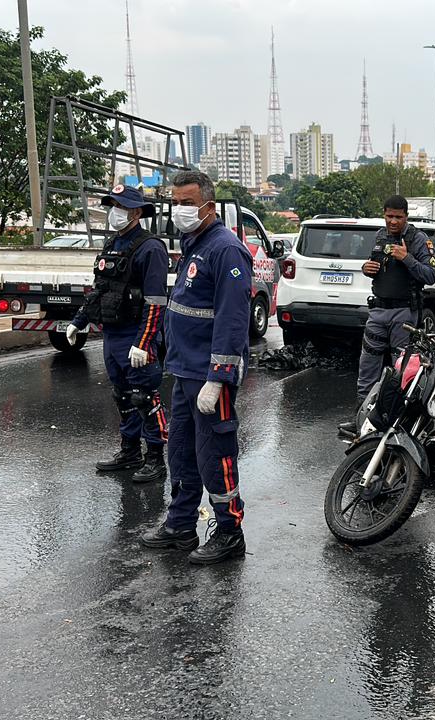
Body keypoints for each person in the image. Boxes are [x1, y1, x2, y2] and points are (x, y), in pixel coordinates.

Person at [141, 170, 253, 565]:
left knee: (216, 455)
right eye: (176, 202)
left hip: (208, 378)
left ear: (208, 205)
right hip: (184, 370)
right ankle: (180, 524)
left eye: (187, 203)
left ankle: (229, 531)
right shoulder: (195, 244)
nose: (179, 210)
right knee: (182, 453)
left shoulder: (226, 250)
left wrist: (219, 379)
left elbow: (233, 320)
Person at [66, 185, 170, 483]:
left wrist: (144, 342)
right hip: (112, 333)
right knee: (122, 395)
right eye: (113, 205)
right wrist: (79, 320)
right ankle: (129, 451)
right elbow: (100, 289)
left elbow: (155, 301)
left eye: (121, 206)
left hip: (136, 334)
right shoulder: (113, 244)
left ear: (136, 212)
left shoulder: (150, 248)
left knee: (144, 397)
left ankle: (155, 458)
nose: (115, 212)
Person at [338, 196, 435, 434]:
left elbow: (430, 275)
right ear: (384, 214)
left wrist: (407, 258)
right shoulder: (381, 236)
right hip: (378, 311)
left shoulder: (418, 240)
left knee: (400, 373)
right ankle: (361, 421)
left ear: (406, 216)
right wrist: (367, 269)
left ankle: (396, 423)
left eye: (398, 217)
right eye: (389, 216)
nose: (393, 221)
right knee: (367, 369)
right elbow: (377, 267)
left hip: (404, 315)